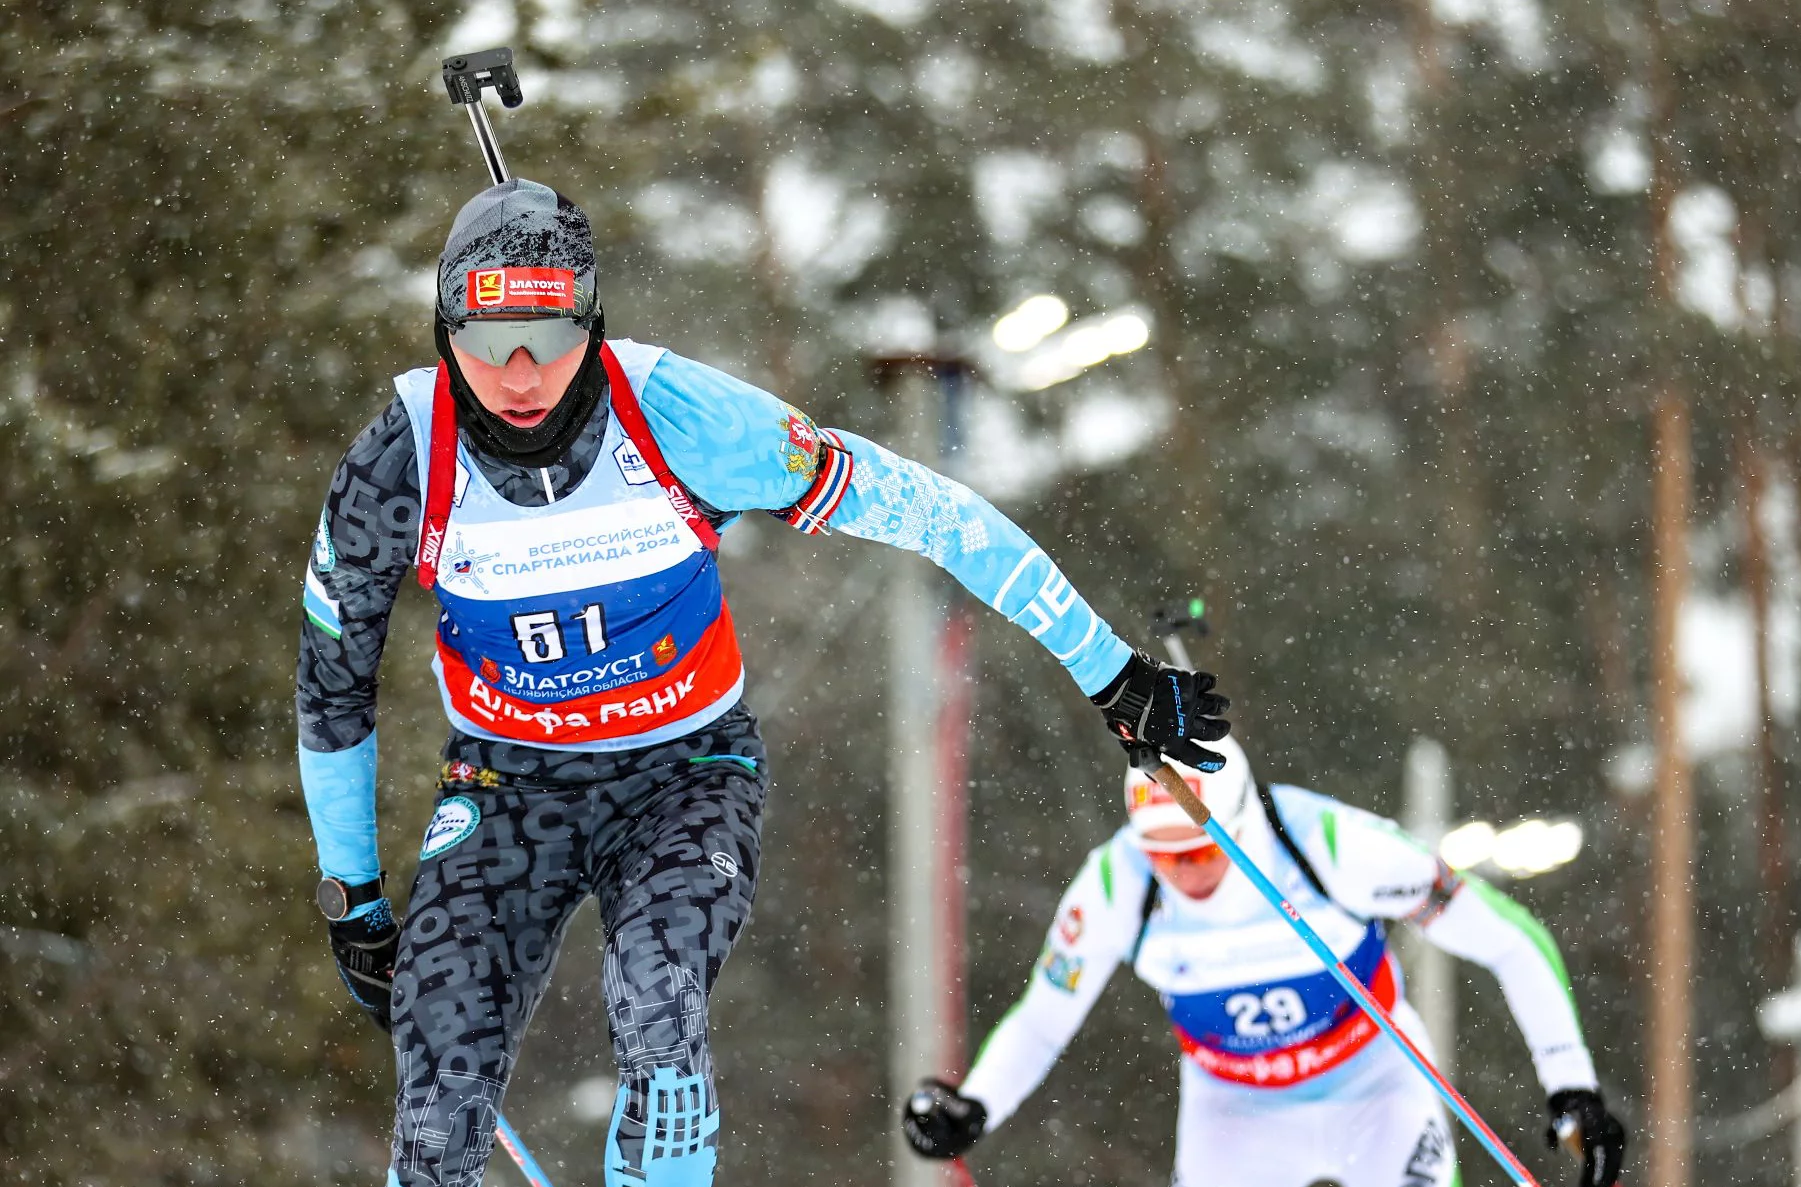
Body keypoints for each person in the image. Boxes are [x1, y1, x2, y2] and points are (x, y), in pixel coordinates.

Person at [295, 178, 1232, 1187]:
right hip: (508, 780)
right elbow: (332, 682)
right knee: (439, 1071)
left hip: (682, 773)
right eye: (488, 340)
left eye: (549, 336)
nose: (518, 374)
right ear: (446, 330)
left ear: (593, 322)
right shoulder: (398, 463)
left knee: (656, 996)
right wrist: (352, 894)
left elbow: (936, 513)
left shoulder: (690, 420)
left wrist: (1112, 672)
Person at [901, 737, 1628, 1187]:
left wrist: (1574, 1088)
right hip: (1235, 1114)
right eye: (1163, 852)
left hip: (1378, 1092)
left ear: (1239, 819)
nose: (1182, 870)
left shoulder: (1332, 846)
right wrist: (978, 1105)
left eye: (1199, 847)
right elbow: (1044, 1019)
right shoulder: (1119, 880)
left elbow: (1510, 937)